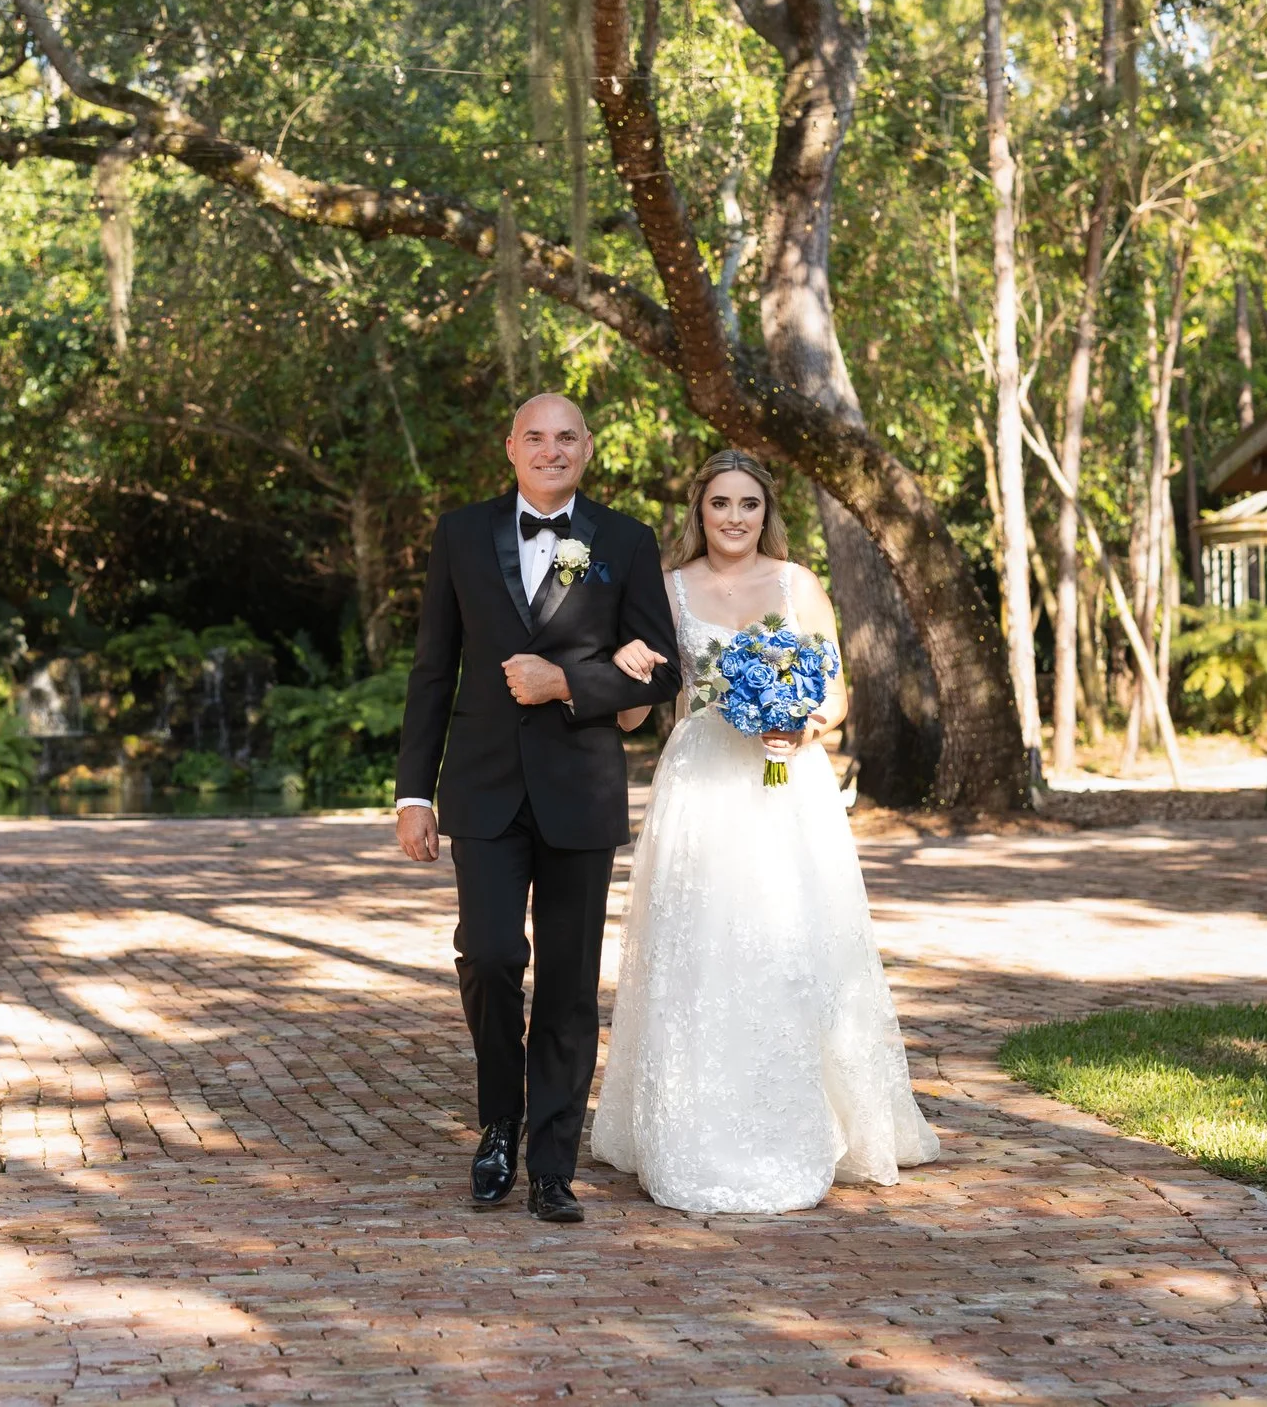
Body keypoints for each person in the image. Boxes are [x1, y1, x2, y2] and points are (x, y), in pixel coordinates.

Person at [590, 448, 939, 1214]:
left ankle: (810, 1119)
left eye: (748, 504)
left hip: (787, 784)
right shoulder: (668, 589)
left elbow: (838, 694)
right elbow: (635, 713)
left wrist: (807, 724)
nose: (735, 518)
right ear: (700, 511)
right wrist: (622, 667)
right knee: (703, 944)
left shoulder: (797, 583)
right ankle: (691, 1126)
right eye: (721, 504)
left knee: (791, 944)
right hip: (701, 784)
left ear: (765, 510)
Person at [394, 394, 683, 1224]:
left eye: (566, 438)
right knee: (487, 956)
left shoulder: (624, 540)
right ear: (509, 446)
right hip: (481, 787)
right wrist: (415, 791)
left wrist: (571, 683)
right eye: (536, 437)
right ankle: (497, 1125)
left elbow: (659, 671)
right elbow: (432, 670)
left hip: (580, 789)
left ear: (587, 448)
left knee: (566, 984)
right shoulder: (458, 533)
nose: (551, 450)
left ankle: (552, 1164)